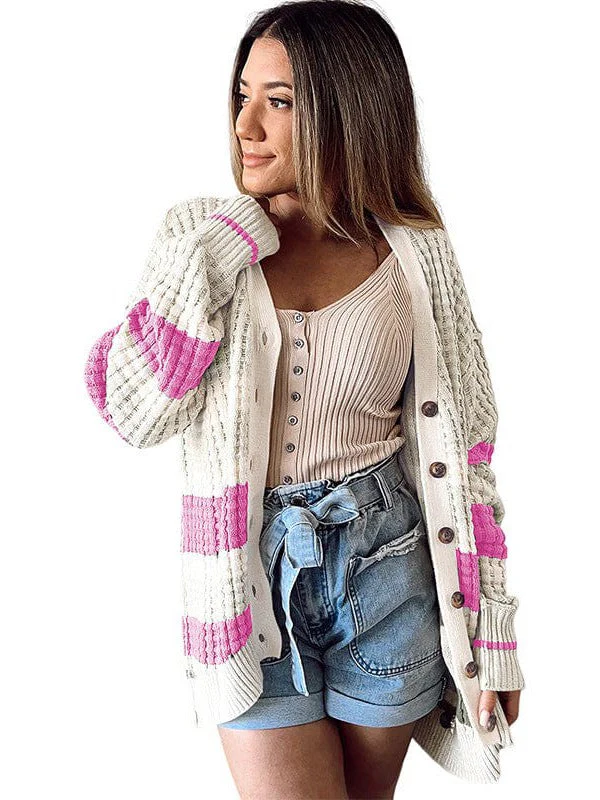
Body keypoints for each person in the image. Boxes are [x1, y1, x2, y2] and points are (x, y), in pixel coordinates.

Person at [84, 1, 525, 796]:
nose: (245, 125)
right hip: (247, 586)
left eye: (278, 101)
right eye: (242, 95)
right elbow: (133, 410)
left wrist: (492, 631)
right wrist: (217, 254)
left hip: (393, 574)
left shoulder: (416, 252)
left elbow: (470, 448)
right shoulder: (199, 238)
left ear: (346, 111)